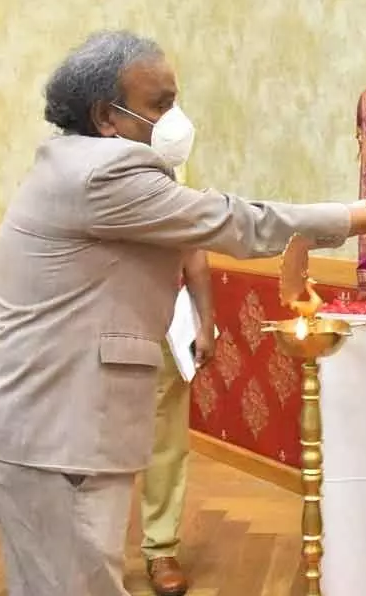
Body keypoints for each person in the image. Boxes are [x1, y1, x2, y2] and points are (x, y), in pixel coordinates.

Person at [0, 30, 366, 596]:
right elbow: (235, 223)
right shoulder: (104, 173)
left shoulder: (74, 163)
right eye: (160, 104)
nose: (175, 119)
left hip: (43, 426)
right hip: (51, 434)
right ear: (106, 114)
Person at [142, 250, 213, 596]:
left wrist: (205, 324)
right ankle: (89, 550)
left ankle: (161, 549)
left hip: (162, 329)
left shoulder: (170, 195)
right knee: (95, 444)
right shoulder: (81, 197)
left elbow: (194, 257)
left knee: (166, 443)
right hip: (96, 328)